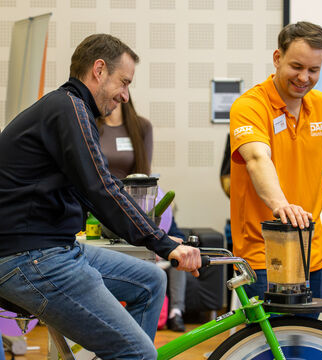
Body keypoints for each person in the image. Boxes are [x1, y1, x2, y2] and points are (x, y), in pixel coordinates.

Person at [0, 34, 201, 360]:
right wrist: (164, 243)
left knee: (151, 281)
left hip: (50, 249)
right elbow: (101, 188)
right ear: (98, 70)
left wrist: (161, 238)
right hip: (30, 257)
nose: (125, 95)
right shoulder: (69, 109)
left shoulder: (68, 109)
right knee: (139, 353)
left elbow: (93, 190)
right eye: (123, 82)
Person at [229, 21, 322, 307]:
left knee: (309, 341)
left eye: (313, 70)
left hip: (312, 251)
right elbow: (258, 158)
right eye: (297, 66)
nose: (304, 78)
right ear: (277, 58)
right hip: (263, 252)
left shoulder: (320, 104)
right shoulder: (250, 106)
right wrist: (281, 205)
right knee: (266, 347)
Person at [98, 98, 188, 332]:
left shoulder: (141, 126)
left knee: (179, 242)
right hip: (102, 207)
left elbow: (144, 172)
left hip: (137, 202)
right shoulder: (92, 124)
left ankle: (177, 311)